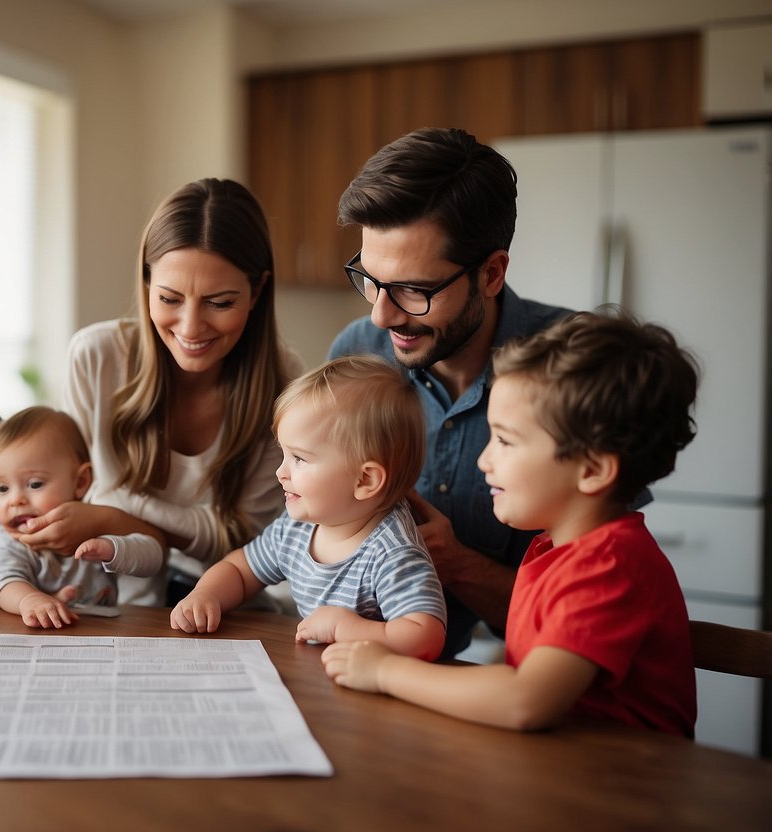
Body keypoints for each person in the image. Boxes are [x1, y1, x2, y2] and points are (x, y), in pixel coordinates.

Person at [323, 310, 699, 736]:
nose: (484, 460)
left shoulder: (608, 566)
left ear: (592, 470)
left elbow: (525, 700)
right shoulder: (558, 549)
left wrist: (386, 672)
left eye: (504, 440)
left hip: (628, 789)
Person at [327, 127, 571, 658]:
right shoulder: (357, 354)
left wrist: (454, 561)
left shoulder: (574, 370)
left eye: (414, 289)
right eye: (369, 279)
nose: (380, 315)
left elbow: (580, 616)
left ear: (491, 272)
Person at [16, 178, 303, 606]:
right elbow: (70, 497)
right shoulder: (96, 357)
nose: (189, 328)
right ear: (147, 281)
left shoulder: (284, 381)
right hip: (103, 590)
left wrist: (116, 514)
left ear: (257, 290)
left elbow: (243, 540)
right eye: (169, 298)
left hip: (218, 604)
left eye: (220, 303)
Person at [170, 355, 447, 659]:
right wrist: (206, 595)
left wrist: (346, 629)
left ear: (365, 480)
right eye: (284, 454)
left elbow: (426, 635)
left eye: (299, 458)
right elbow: (241, 569)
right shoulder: (299, 527)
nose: (281, 472)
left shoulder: (392, 551)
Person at [0, 406, 163, 628]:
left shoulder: (90, 523)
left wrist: (112, 547)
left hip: (103, 633)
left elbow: (153, 557)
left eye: (35, 484)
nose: (15, 500)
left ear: (80, 482)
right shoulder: (8, 539)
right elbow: (0, 581)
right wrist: (30, 600)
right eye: (2, 489)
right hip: (41, 636)